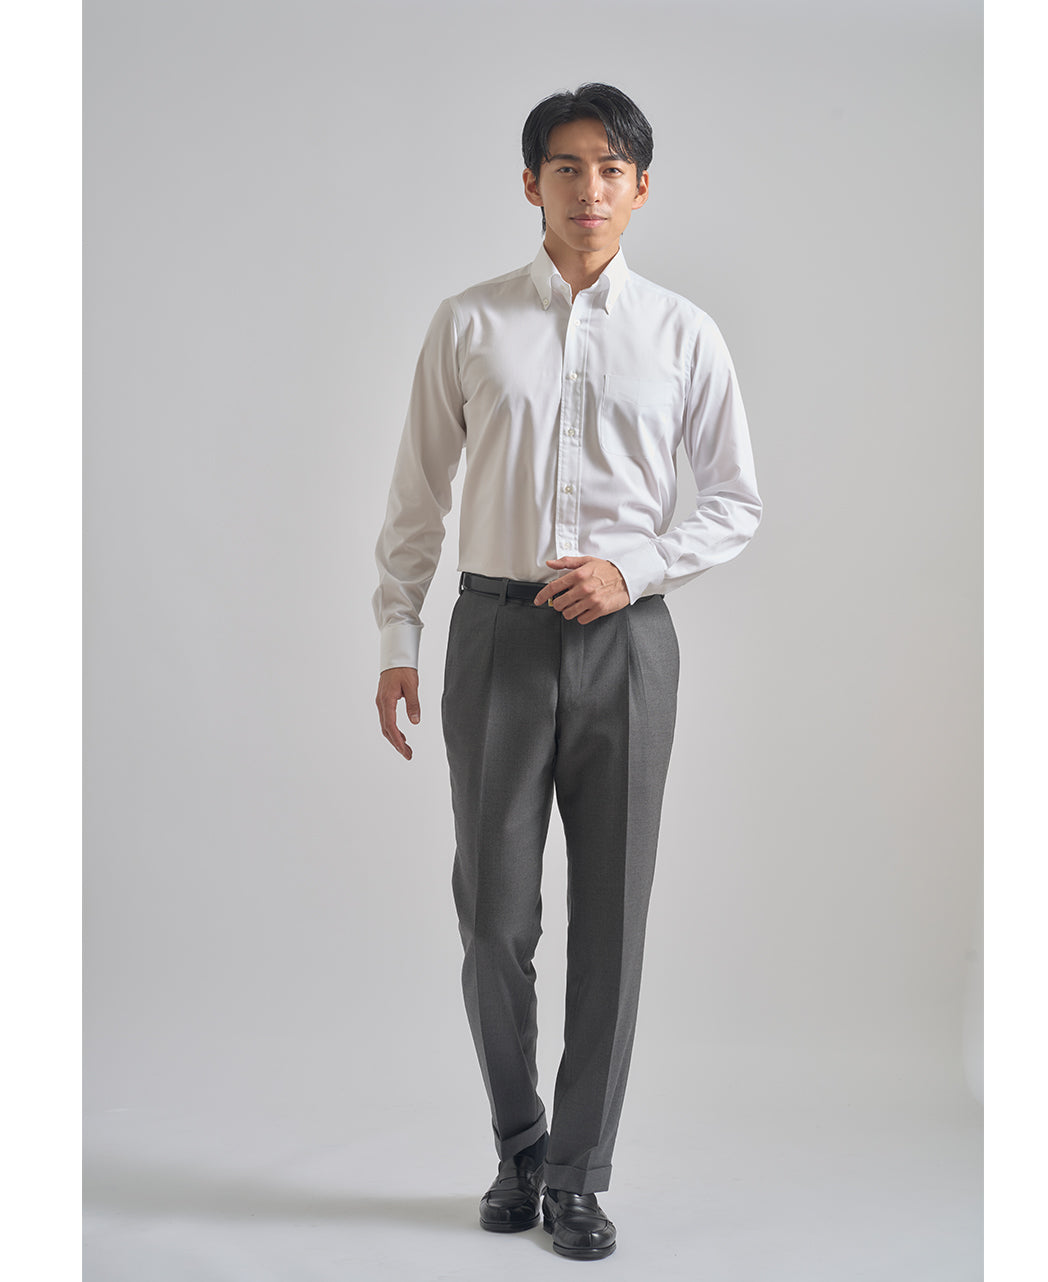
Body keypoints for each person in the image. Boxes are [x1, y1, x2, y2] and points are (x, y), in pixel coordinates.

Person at [372, 83, 761, 1261]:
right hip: (496, 635)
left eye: (609, 169)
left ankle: (579, 1175)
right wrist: (397, 639)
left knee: (613, 922)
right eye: (565, 167)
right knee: (493, 915)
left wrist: (632, 570)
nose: (588, 189)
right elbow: (415, 498)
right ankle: (519, 1144)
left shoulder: (684, 334)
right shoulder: (469, 322)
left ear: (640, 188)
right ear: (529, 183)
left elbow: (734, 500)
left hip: (628, 645)